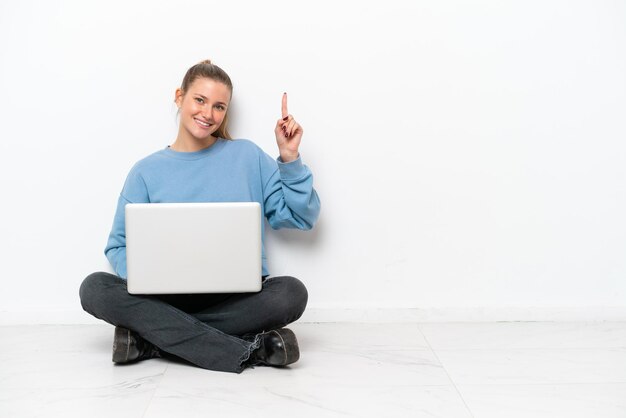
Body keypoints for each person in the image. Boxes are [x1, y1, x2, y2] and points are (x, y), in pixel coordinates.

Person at [79, 60, 321, 374]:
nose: (208, 114)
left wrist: (290, 159)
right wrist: (148, 275)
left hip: (237, 299)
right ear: (179, 97)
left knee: (291, 293)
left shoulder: (247, 156)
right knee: (93, 287)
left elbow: (301, 218)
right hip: (166, 299)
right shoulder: (145, 171)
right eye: (200, 100)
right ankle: (249, 350)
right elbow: (117, 246)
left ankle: (152, 340)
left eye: (219, 106)